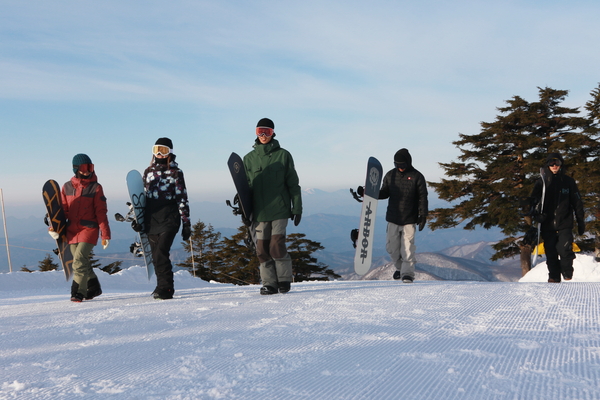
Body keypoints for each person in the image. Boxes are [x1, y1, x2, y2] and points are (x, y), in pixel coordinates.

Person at [243, 118, 302, 295]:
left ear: (273, 133)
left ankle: (283, 280)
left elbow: (293, 184)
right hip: (259, 211)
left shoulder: (283, 155)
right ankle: (269, 283)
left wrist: (297, 208)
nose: (263, 135)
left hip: (280, 209)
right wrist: (245, 211)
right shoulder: (248, 159)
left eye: (267, 132)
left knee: (276, 246)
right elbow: (245, 188)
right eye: (259, 131)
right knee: (261, 249)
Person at [358, 148, 428, 283]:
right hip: (393, 218)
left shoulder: (417, 176)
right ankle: (400, 268)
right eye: (397, 165)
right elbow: (384, 193)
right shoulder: (390, 175)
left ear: (408, 162)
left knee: (407, 248)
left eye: (403, 165)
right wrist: (367, 192)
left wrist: (423, 215)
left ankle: (407, 274)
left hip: (409, 219)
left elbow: (422, 197)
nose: (400, 167)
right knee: (392, 248)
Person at [135, 138, 191, 299]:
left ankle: (166, 289)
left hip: (169, 217)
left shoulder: (176, 173)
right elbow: (142, 198)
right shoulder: (148, 172)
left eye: (163, 150)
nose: (159, 153)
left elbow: (182, 198)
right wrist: (138, 219)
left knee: (161, 252)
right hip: (151, 218)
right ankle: (161, 286)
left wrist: (186, 223)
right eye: (156, 150)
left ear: (170, 153)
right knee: (155, 256)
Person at [52, 154, 111, 302]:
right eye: (84, 168)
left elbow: (101, 212)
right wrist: (53, 228)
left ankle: (78, 291)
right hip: (72, 230)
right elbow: (63, 211)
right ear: (76, 169)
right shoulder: (67, 187)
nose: (88, 171)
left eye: (90, 167)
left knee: (78, 260)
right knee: (80, 261)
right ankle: (94, 286)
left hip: (89, 229)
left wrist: (105, 235)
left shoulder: (96, 188)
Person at [531, 153, 585, 283]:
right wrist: (537, 215)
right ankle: (554, 276)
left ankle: (567, 271)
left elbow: (577, 202)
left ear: (561, 165)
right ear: (547, 165)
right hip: (547, 224)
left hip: (565, 222)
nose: (554, 166)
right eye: (551, 163)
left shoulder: (568, 182)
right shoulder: (542, 183)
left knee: (565, 249)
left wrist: (580, 221)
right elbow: (533, 202)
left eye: (557, 163)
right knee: (551, 252)